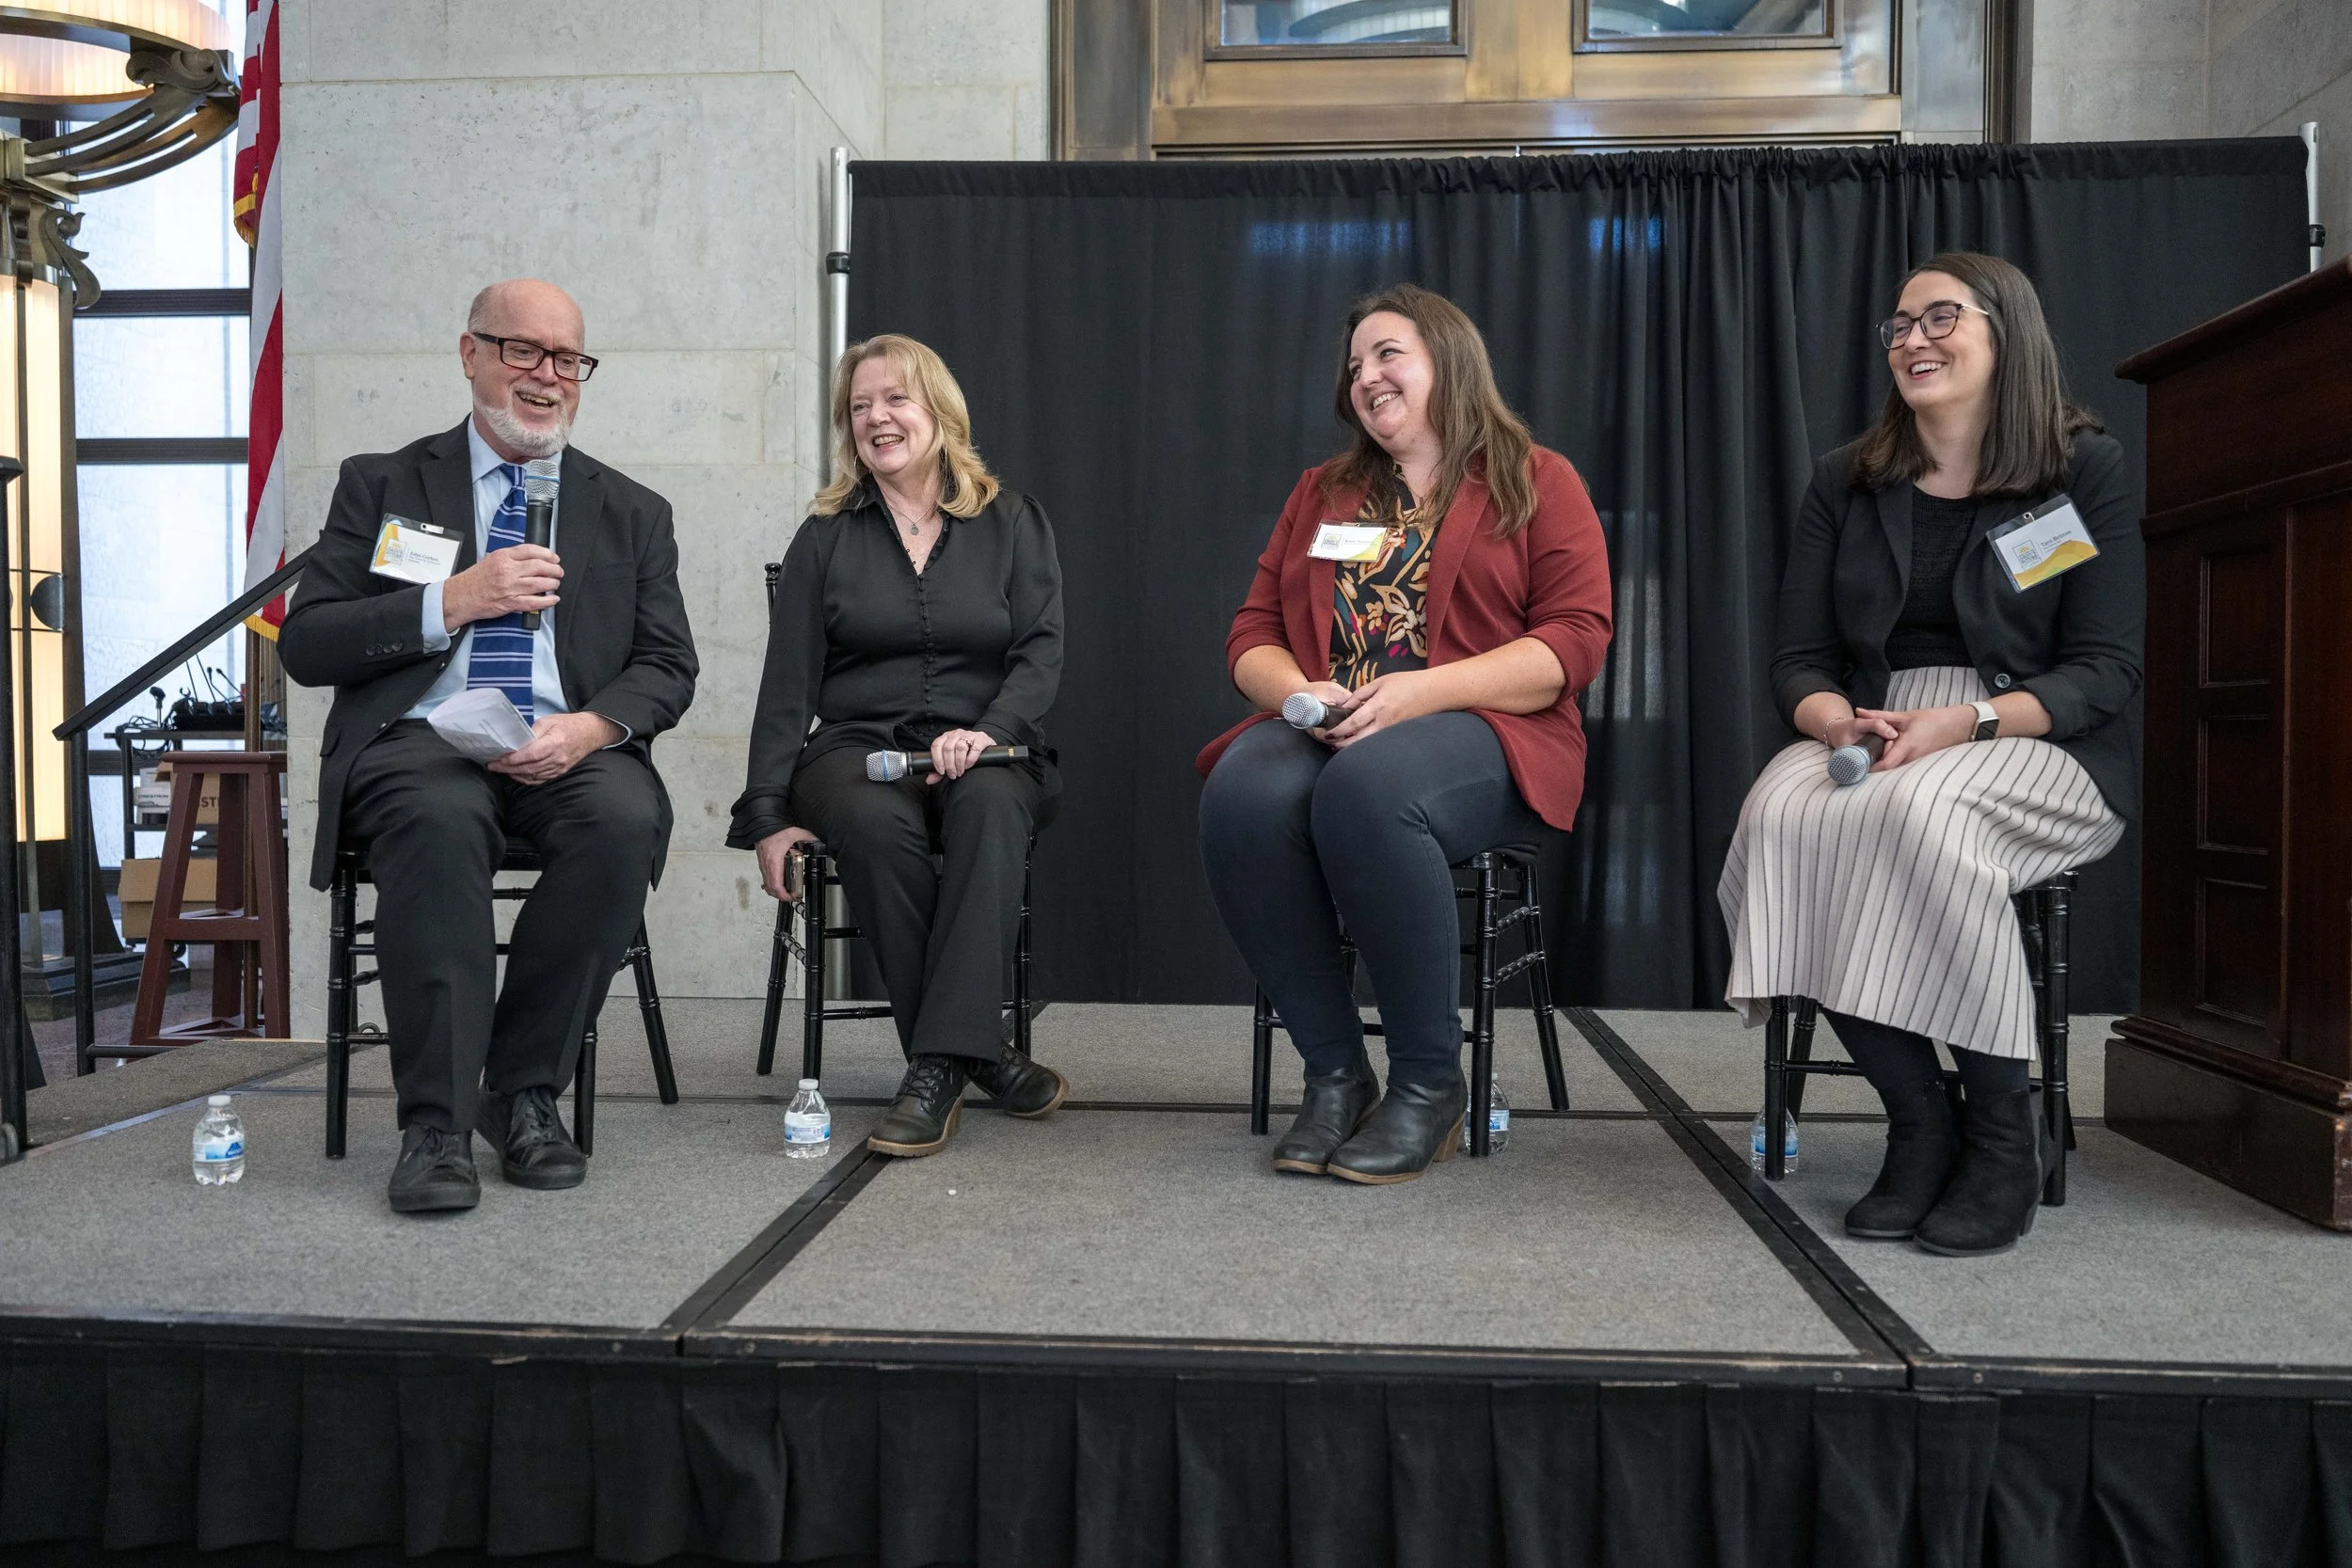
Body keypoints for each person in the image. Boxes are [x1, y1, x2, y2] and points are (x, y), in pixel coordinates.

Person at [1720, 251, 2141, 1258]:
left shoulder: (2080, 468)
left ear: (2006, 330)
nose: (1913, 339)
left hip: (2034, 733)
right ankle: (1919, 1120)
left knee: (1917, 813)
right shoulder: (1847, 480)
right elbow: (1797, 659)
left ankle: (2003, 1133)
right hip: (1874, 724)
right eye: (1900, 325)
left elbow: (2105, 668)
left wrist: (1970, 721)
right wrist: (1832, 719)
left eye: (1939, 317)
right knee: (1779, 813)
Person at [281, 278, 698, 1214]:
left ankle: (523, 1088)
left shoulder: (631, 510)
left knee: (623, 819)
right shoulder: (384, 484)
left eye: (567, 358)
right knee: (438, 819)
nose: (547, 376)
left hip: (563, 740)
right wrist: (451, 600)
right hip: (422, 738)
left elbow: (668, 665)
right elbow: (307, 645)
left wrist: (589, 728)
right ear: (470, 353)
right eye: (523, 350)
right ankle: (435, 1124)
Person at [1196, 284, 1613, 1185]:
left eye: (1388, 354)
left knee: (1370, 787)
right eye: (1355, 366)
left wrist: (1420, 693)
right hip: (1332, 724)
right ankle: (1336, 1074)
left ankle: (1429, 1084)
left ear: (1448, 360)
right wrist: (1300, 695)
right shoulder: (1324, 493)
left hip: (1486, 731)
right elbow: (1252, 632)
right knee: (1242, 791)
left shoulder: (1536, 479)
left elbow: (1575, 640)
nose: (1366, 376)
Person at [731, 335, 1066, 1159]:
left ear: (938, 411)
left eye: (895, 399)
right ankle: (969, 1056)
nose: (877, 418)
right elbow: (786, 688)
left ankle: (939, 1064)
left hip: (987, 743)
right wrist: (767, 813)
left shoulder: (1013, 521)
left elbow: (1040, 652)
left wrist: (989, 732)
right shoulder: (824, 537)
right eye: (860, 406)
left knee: (992, 806)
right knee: (874, 822)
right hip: (854, 749)